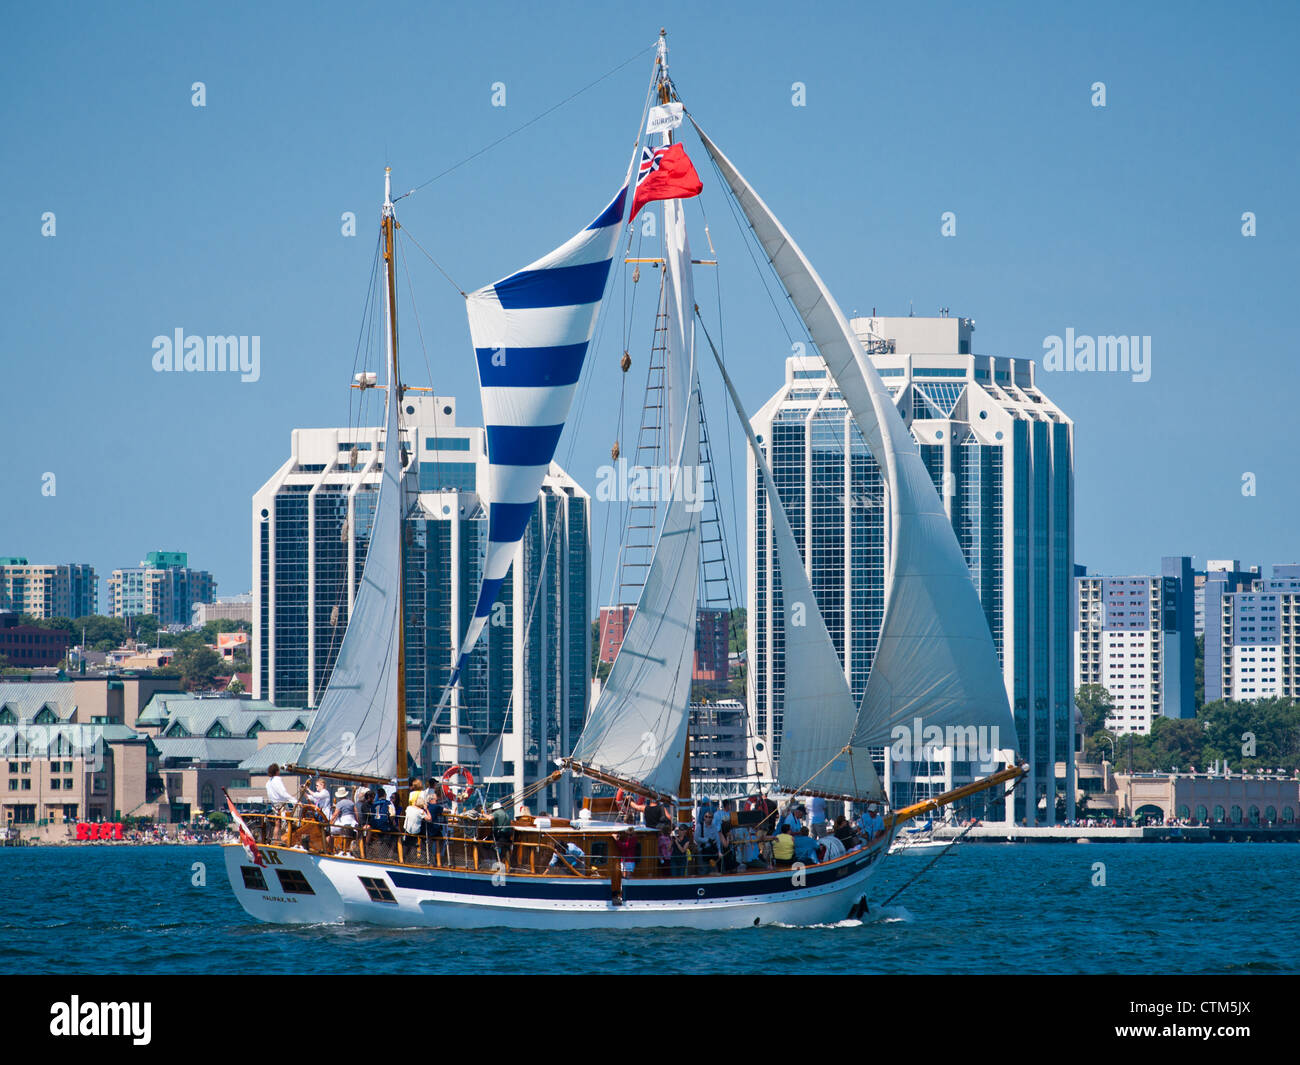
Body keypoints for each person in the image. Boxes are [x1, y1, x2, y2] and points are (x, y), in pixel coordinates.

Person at [331, 786, 359, 852]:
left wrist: (330, 823)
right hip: (352, 821)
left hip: (344, 821)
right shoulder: (351, 802)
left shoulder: (339, 803)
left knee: (331, 830)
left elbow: (335, 815)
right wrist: (358, 822)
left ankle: (334, 847)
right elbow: (356, 814)